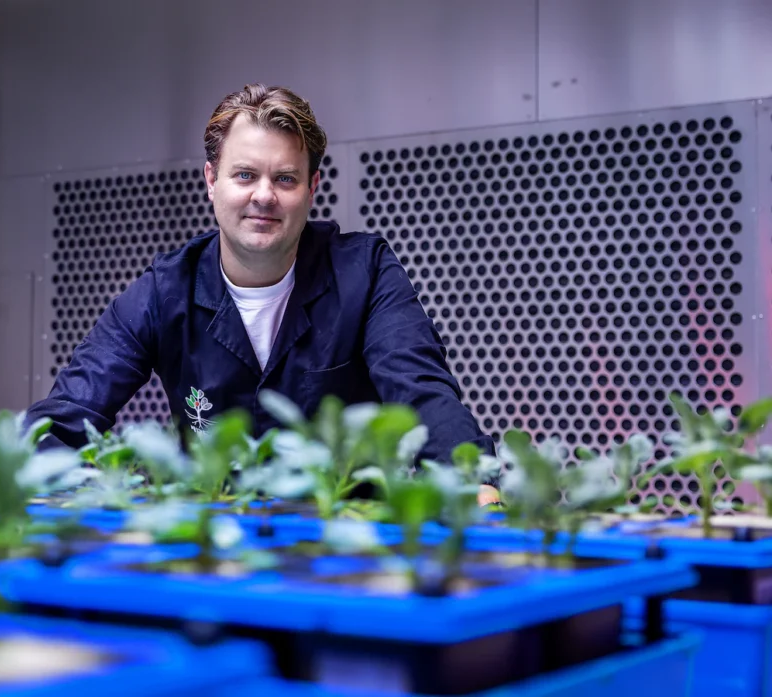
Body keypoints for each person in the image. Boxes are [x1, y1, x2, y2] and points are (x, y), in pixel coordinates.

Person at [25, 83, 500, 505]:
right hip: (212, 549)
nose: (265, 195)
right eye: (245, 175)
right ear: (211, 181)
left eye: (286, 178)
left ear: (312, 187)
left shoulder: (366, 272)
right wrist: (50, 485)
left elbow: (420, 388)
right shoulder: (165, 289)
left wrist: (472, 481)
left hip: (345, 545)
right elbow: (70, 410)